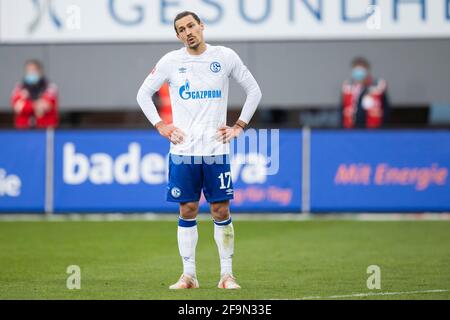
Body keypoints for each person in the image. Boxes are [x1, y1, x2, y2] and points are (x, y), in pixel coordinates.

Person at [137, 11, 262, 290]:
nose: (188, 32)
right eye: (181, 29)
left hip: (216, 150)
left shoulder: (225, 56)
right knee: (188, 208)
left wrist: (239, 126)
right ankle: (189, 276)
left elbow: (254, 91)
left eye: (191, 26)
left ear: (201, 26)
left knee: (220, 209)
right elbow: (142, 94)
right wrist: (161, 126)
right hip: (183, 151)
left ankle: (227, 276)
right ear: (178, 36)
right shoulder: (171, 61)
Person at [340, 57, 390, 129]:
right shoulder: (347, 86)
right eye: (356, 69)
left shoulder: (378, 86)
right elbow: (342, 109)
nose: (359, 73)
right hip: (351, 129)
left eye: (361, 69)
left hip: (374, 129)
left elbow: (386, 109)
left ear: (367, 70)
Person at [10, 59, 59, 129]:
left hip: (45, 129)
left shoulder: (49, 87)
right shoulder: (19, 87)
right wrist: (37, 105)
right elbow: (18, 107)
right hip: (23, 129)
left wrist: (26, 101)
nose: (31, 73)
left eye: (34, 70)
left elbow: (45, 106)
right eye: (29, 70)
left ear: (40, 71)